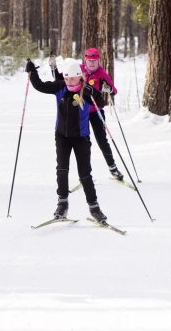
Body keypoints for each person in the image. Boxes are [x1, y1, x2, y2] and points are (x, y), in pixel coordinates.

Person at [25, 59, 108, 222]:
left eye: (73, 78)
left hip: (81, 137)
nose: (69, 81)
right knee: (62, 169)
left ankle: (94, 207)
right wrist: (32, 73)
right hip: (62, 136)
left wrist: (94, 92)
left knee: (85, 174)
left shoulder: (86, 90)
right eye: (67, 78)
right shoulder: (60, 87)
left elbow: (101, 103)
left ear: (80, 77)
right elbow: (40, 86)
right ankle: (62, 204)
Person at [78, 47, 124, 181]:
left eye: (95, 60)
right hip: (82, 112)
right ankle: (85, 174)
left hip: (96, 111)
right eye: (89, 60)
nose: (92, 63)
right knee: (84, 143)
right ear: (85, 60)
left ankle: (113, 168)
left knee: (102, 140)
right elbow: (65, 79)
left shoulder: (101, 73)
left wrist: (108, 89)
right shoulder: (79, 70)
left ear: (98, 61)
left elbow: (113, 90)